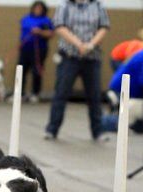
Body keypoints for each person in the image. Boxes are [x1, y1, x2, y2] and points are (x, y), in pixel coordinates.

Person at [44, 0, 110, 142]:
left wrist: (91, 44)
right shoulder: (64, 5)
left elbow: (103, 27)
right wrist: (78, 44)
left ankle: (98, 131)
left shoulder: (98, 5)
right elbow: (59, 27)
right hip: (69, 56)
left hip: (92, 57)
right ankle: (52, 129)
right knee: (61, 93)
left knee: (94, 96)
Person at [18, 1, 54, 103]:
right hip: (25, 48)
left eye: (40, 8)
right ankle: (20, 93)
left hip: (39, 49)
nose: (37, 10)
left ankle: (35, 93)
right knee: (22, 70)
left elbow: (51, 33)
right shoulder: (26, 18)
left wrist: (40, 32)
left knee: (37, 70)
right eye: (36, 8)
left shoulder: (46, 21)